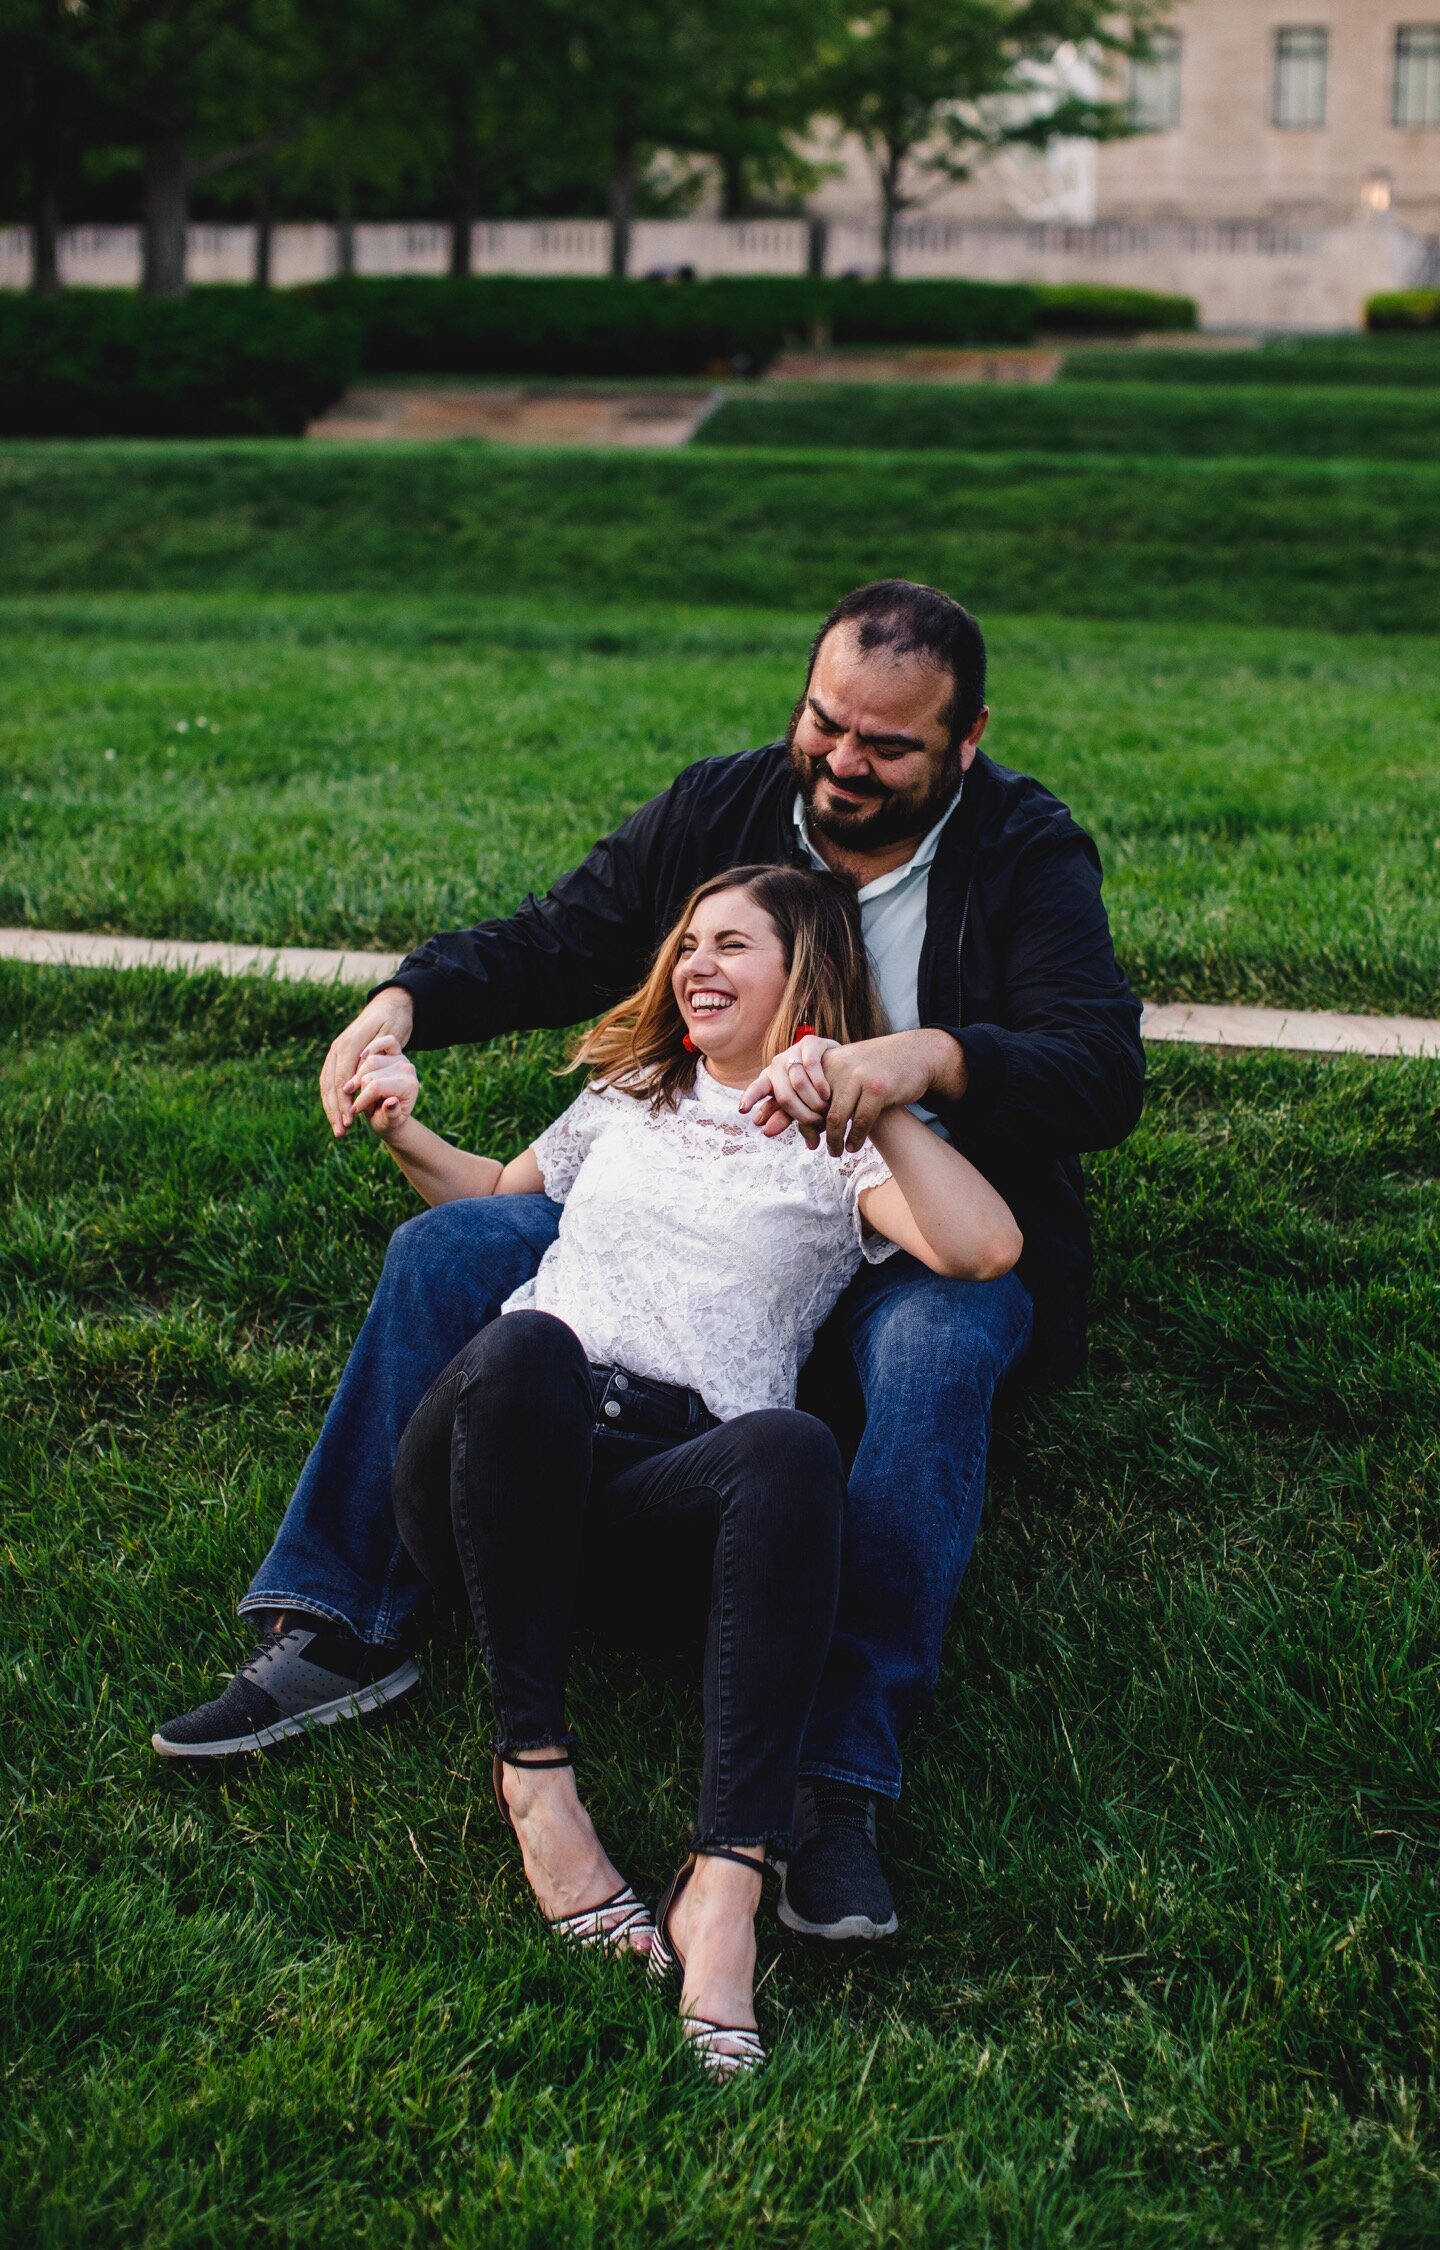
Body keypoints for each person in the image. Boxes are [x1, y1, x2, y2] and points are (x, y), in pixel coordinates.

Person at [153, 578, 1145, 1946]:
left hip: (913, 1202)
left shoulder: (1027, 851)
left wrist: (918, 1061)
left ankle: (833, 1780)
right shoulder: (729, 809)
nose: (844, 764)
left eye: (889, 746)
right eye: (825, 723)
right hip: (707, 1179)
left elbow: (1100, 1069)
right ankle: (339, 1619)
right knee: (455, 1245)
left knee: (937, 1347)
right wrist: (404, 1000)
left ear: (966, 741)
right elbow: (563, 936)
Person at [348, 865, 1022, 2075]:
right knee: (528, 1346)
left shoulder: (841, 1148)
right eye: (687, 944)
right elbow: (499, 1198)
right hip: (499, 1464)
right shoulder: (629, 1094)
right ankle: (538, 1787)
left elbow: (983, 1247)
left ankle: (725, 1888)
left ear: (803, 978)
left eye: (732, 946)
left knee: (791, 1447)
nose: (694, 964)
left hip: (668, 1498)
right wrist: (406, 1130)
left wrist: (875, 1097)